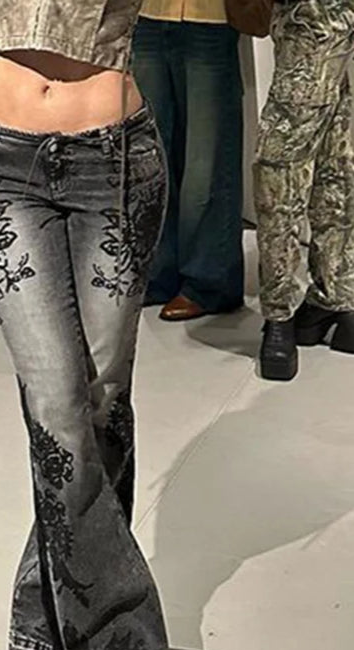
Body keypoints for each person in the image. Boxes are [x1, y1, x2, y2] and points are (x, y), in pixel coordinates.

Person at [0, 0, 172, 650]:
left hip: (113, 161)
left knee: (99, 408)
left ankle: (39, 628)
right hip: (4, 159)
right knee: (56, 408)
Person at [256, 0, 354, 381]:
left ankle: (279, 315)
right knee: (334, 155)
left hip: (311, 19)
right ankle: (336, 296)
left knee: (280, 164)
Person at [132, 0, 245, 321]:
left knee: (207, 159)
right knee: (150, 153)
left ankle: (209, 282)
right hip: (144, 14)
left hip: (210, 17)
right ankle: (157, 272)